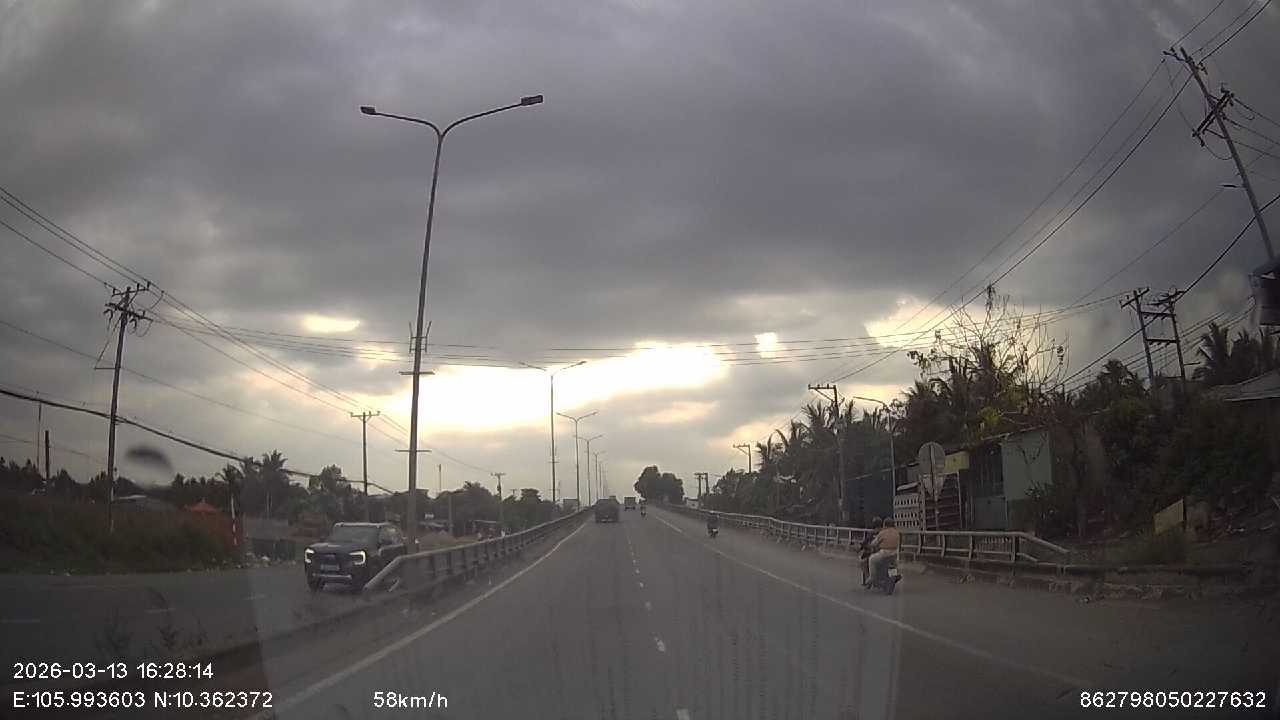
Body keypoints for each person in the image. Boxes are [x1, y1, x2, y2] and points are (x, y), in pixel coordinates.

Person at [865, 517, 900, 586]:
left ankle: (872, 578)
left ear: (885, 524)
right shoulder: (897, 533)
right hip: (894, 554)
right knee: (894, 564)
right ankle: (894, 575)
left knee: (871, 559)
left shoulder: (882, 533)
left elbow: (874, 543)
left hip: (884, 553)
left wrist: (871, 545)